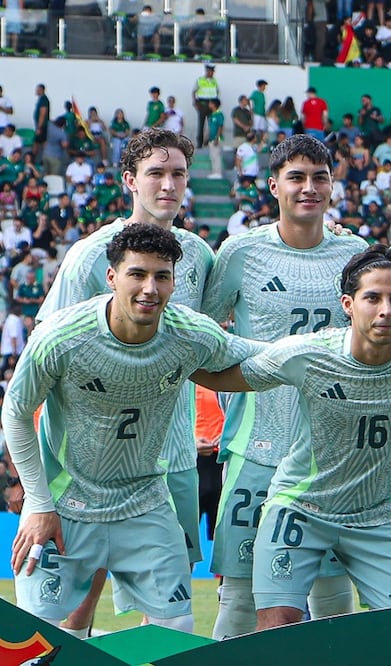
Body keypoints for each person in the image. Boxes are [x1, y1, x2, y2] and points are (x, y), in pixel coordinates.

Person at [195, 245, 391, 628]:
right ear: (348, 304)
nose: (386, 309)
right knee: (277, 628)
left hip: (375, 516)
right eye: (373, 298)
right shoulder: (309, 354)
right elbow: (219, 375)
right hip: (302, 509)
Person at [3, 223, 257, 638]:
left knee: (175, 628)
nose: (149, 288)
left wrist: (332, 351)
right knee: (37, 638)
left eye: (162, 276)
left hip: (144, 503)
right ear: (111, 277)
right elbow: (15, 412)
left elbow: (255, 358)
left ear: (174, 281)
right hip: (67, 506)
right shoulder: (61, 336)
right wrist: (37, 500)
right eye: (137, 274)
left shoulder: (190, 333)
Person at [33, 127, 215, 633]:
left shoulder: (198, 255)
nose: (168, 185)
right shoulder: (90, 257)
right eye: (156, 173)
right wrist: (31, 478)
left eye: (178, 173)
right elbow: (45, 356)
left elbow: (209, 342)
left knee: (168, 602)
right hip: (91, 460)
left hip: (171, 453)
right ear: (130, 180)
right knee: (79, 593)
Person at [204, 134, 368, 639]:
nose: (309, 187)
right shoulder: (240, 252)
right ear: (273, 185)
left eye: (320, 177)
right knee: (240, 596)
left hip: (335, 454)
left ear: (332, 185)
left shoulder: (355, 252)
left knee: (334, 597)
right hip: (256, 446)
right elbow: (205, 340)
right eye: (296, 177)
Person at [192, 63, 220, 149]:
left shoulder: (214, 81)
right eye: (210, 71)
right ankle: (199, 143)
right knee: (201, 124)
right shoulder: (200, 80)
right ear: (207, 71)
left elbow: (217, 92)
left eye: (213, 71)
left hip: (212, 104)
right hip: (202, 103)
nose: (212, 73)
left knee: (212, 124)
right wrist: (195, 103)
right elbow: (194, 92)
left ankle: (210, 142)